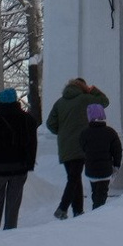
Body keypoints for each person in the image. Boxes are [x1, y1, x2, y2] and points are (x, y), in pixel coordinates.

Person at [45, 77, 110, 220]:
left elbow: (50, 124)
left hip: (64, 146)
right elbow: (104, 102)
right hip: (80, 144)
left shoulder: (60, 102)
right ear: (83, 87)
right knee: (74, 178)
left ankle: (78, 211)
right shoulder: (85, 99)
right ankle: (62, 208)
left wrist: (63, 132)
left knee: (74, 177)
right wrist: (94, 90)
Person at [0, 87, 38, 230]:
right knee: (13, 204)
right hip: (19, 168)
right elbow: (32, 144)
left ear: (1, 102)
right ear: (15, 100)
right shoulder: (28, 120)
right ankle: (10, 233)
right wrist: (29, 164)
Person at [79, 103, 122, 210]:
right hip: (106, 169)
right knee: (102, 193)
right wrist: (116, 165)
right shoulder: (111, 132)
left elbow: (82, 149)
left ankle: (96, 209)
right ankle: (98, 212)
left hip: (91, 169)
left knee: (95, 192)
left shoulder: (84, 133)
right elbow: (117, 151)